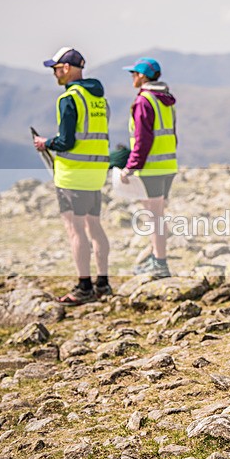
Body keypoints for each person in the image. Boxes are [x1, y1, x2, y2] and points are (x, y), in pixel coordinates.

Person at [33, 47, 111, 305]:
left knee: (74, 229)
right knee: (95, 225)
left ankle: (83, 287)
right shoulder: (99, 98)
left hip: (73, 175)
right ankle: (103, 283)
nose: (55, 74)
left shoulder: (69, 99)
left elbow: (66, 141)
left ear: (66, 68)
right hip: (95, 172)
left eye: (55, 69)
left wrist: (46, 142)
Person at [120, 58, 178, 279]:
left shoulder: (144, 101)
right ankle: (156, 258)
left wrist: (130, 168)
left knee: (154, 218)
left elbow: (143, 139)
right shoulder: (166, 100)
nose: (132, 77)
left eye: (134, 74)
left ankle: (160, 264)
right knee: (157, 216)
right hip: (168, 165)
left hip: (151, 168)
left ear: (143, 76)